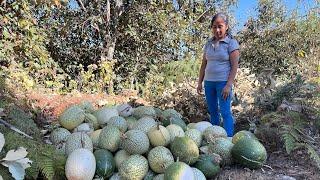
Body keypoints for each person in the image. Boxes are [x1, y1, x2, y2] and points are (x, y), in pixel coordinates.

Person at [197, 13, 240, 137]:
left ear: (226, 26)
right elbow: (203, 64)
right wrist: (200, 82)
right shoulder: (208, 43)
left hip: (223, 83)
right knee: (213, 111)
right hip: (209, 83)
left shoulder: (231, 43)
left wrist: (228, 85)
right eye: (214, 26)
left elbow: (234, 66)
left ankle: (229, 138)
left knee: (225, 112)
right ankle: (215, 137)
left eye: (220, 26)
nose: (217, 30)